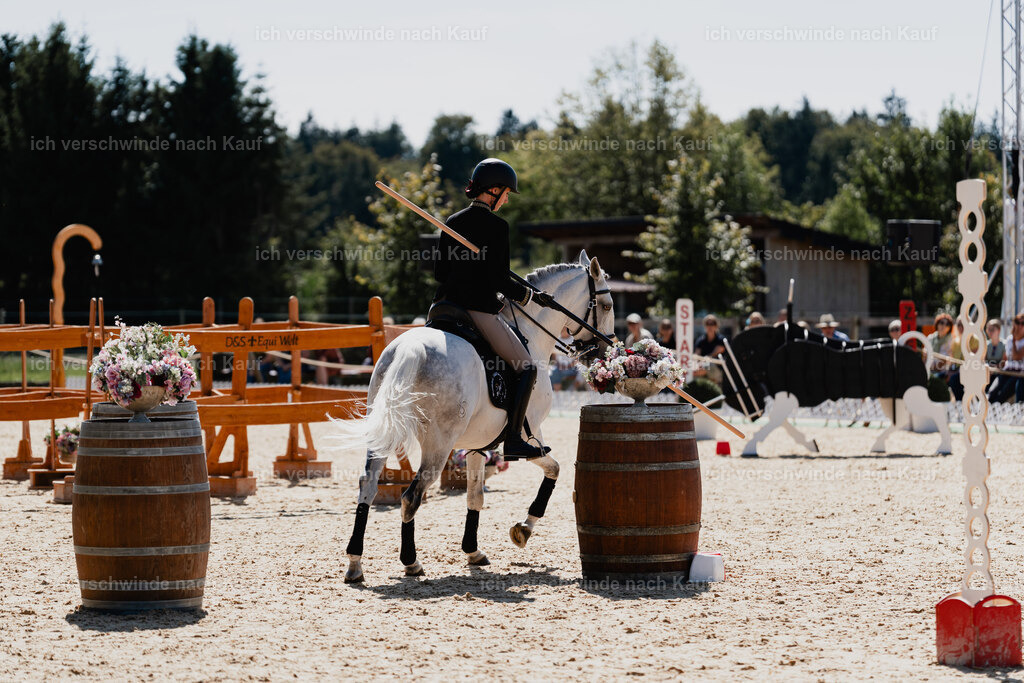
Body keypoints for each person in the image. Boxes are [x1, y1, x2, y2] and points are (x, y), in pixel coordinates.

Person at [432, 158, 556, 458]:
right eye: (506, 194)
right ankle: (514, 439)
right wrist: (528, 295)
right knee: (527, 368)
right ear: (495, 190)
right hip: (476, 310)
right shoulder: (497, 227)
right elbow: (499, 279)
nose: (507, 199)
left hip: (442, 308)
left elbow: (440, 274)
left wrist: (471, 268)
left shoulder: (453, 222)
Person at [989, 314, 1024, 403]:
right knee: (991, 393)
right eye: (1017, 322)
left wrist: (1014, 340)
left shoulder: (1013, 340)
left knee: (1002, 395)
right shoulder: (1009, 339)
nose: (1019, 326)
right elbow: (1005, 360)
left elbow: (1016, 357)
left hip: (1018, 374)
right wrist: (994, 367)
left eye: (1023, 323)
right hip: (1006, 371)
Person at [694, 314, 727, 383]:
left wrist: (701, 363)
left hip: (718, 370)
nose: (710, 326)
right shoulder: (701, 340)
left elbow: (713, 355)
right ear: (705, 326)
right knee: (691, 366)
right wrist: (696, 364)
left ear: (716, 325)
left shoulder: (721, 339)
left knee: (708, 364)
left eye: (712, 323)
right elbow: (696, 356)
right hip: (702, 367)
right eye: (707, 324)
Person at [928, 313, 955, 379]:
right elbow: (924, 357)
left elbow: (945, 362)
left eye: (947, 324)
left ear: (950, 328)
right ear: (937, 324)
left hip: (943, 373)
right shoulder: (930, 338)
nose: (944, 325)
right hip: (929, 369)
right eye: (942, 322)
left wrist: (932, 368)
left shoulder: (952, 341)